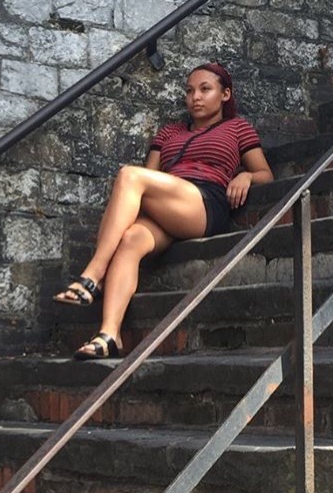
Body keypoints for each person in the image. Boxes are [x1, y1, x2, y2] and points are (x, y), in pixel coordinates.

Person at [53, 62, 274, 359]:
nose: (195, 97)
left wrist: (246, 175)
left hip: (204, 203)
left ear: (225, 94)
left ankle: (93, 276)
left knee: (130, 175)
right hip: (167, 206)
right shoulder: (170, 132)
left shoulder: (237, 128)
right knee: (130, 238)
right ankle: (109, 335)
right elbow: (150, 177)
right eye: (190, 91)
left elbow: (265, 174)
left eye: (205, 89)